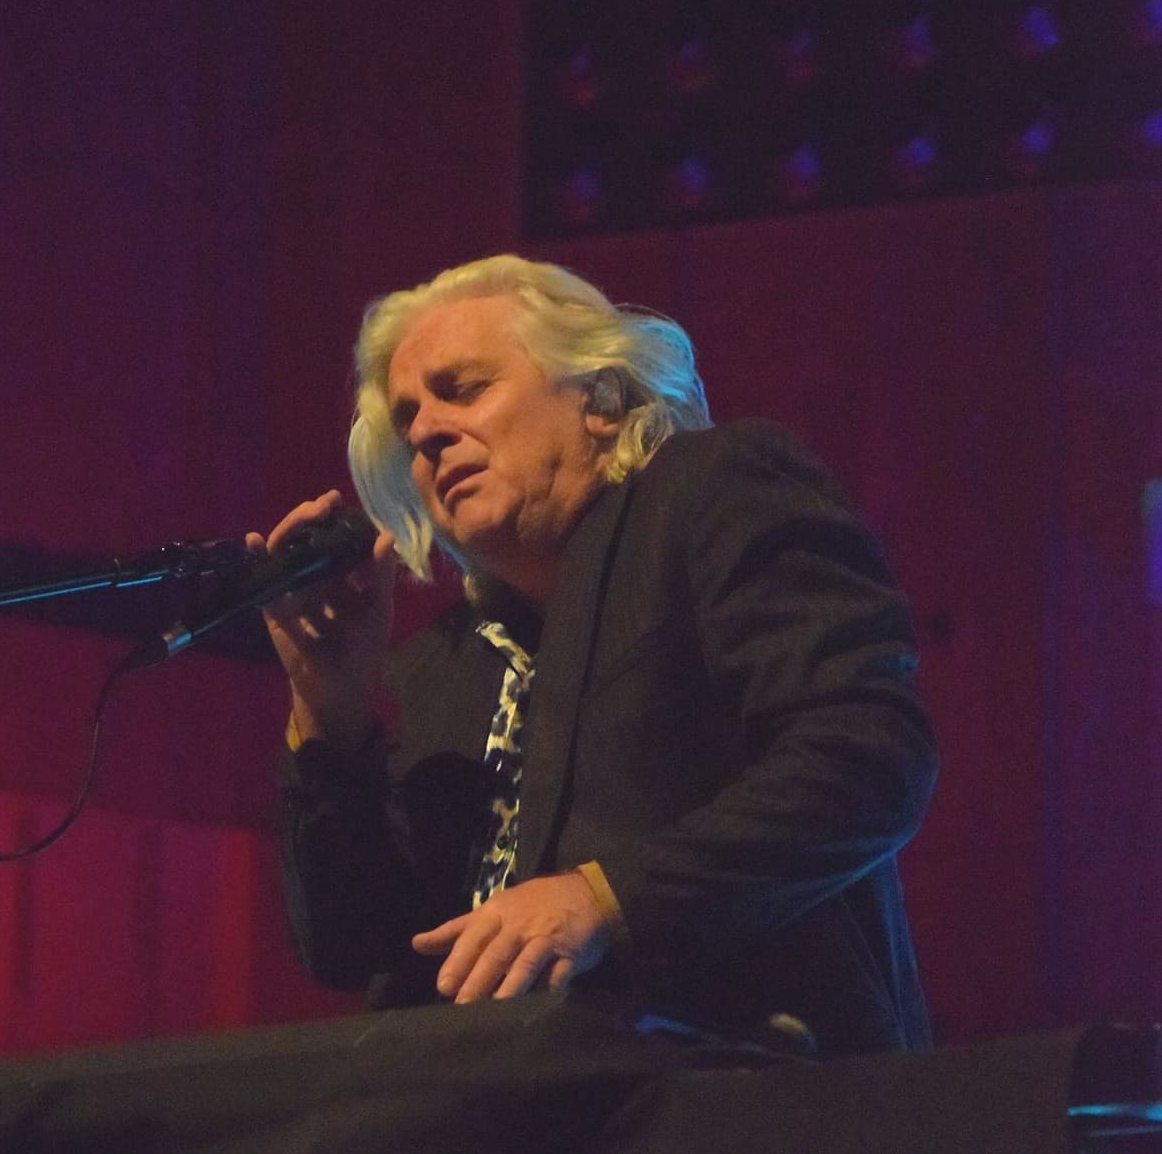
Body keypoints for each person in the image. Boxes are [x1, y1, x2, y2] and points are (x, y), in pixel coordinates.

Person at [252, 255, 938, 1052]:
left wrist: (605, 900)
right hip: (489, 1096)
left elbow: (869, 759)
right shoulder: (446, 661)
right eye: (409, 421)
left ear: (602, 401)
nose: (428, 432)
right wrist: (328, 704)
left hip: (732, 1077)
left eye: (464, 389)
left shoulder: (711, 491)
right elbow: (351, 945)